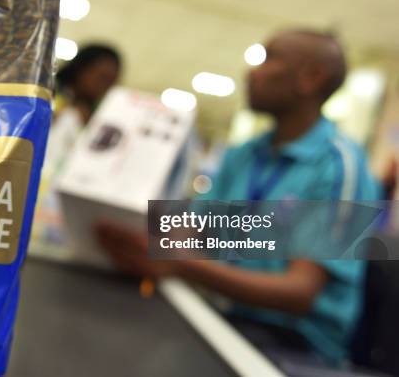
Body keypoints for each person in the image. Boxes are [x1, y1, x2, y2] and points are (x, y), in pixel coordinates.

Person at [97, 29, 381, 367]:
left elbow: (299, 294)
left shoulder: (339, 166)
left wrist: (177, 263)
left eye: (268, 58)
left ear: (311, 78)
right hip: (226, 318)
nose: (252, 71)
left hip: (295, 346)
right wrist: (141, 236)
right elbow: (194, 229)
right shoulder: (245, 154)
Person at [43, 44, 121, 181]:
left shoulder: (98, 115)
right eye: (102, 77)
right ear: (81, 68)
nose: (105, 86)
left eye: (111, 81)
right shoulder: (46, 93)